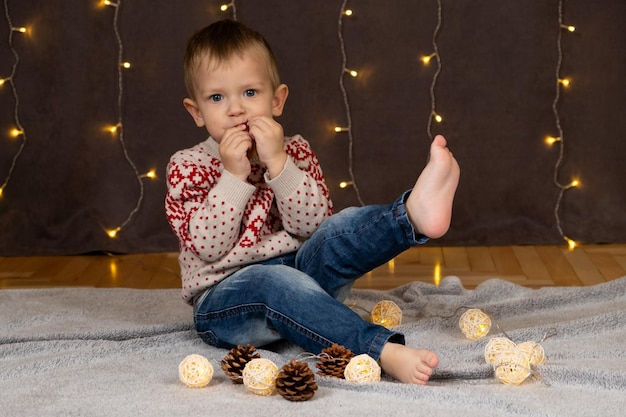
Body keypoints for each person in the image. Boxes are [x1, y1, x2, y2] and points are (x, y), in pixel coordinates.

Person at [165, 19, 460, 385]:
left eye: (250, 93)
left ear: (277, 100)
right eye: (217, 98)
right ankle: (380, 350)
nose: (236, 109)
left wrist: (279, 163)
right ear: (197, 112)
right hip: (227, 302)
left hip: (307, 277)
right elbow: (209, 247)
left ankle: (411, 216)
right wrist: (233, 177)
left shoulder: (296, 150)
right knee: (272, 280)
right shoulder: (188, 166)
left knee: (338, 230)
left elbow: (311, 225)